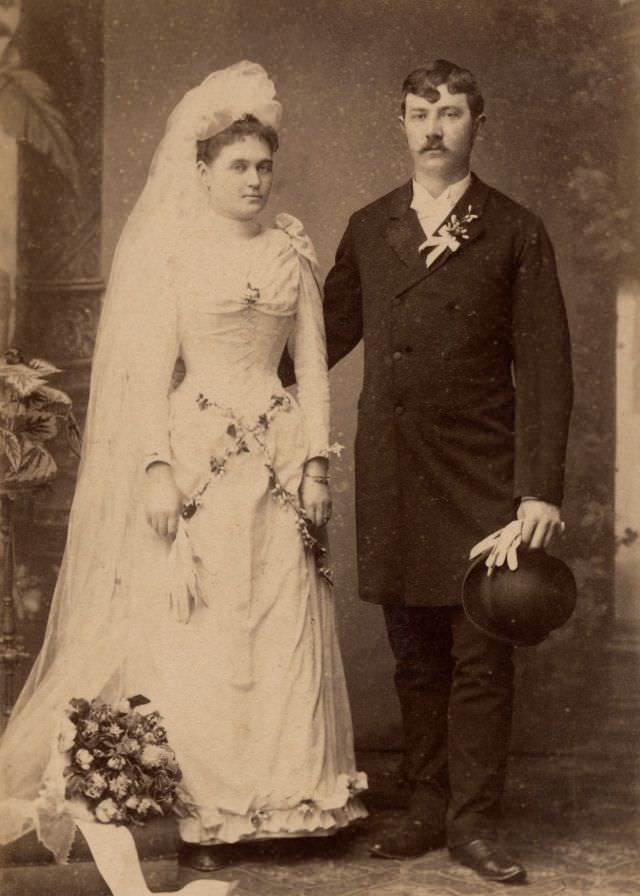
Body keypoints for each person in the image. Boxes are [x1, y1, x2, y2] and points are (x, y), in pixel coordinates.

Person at [0, 61, 366, 883]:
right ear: (200, 172)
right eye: (237, 166)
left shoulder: (291, 253)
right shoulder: (174, 258)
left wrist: (315, 465)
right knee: (201, 619)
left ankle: (290, 801)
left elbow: (311, 370)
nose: (254, 179)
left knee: (278, 615)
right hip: (196, 461)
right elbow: (145, 377)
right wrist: (158, 470)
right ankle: (206, 801)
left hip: (275, 464)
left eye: (263, 166)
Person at [322, 59, 573, 884]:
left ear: (477, 124)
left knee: (479, 653)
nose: (434, 129)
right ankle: (426, 807)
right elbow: (320, 339)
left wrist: (537, 487)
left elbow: (545, 366)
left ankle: (474, 824)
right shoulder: (368, 225)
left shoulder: (515, 228)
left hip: (482, 475)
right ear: (400, 123)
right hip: (394, 468)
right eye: (419, 113)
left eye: (452, 113)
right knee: (416, 655)